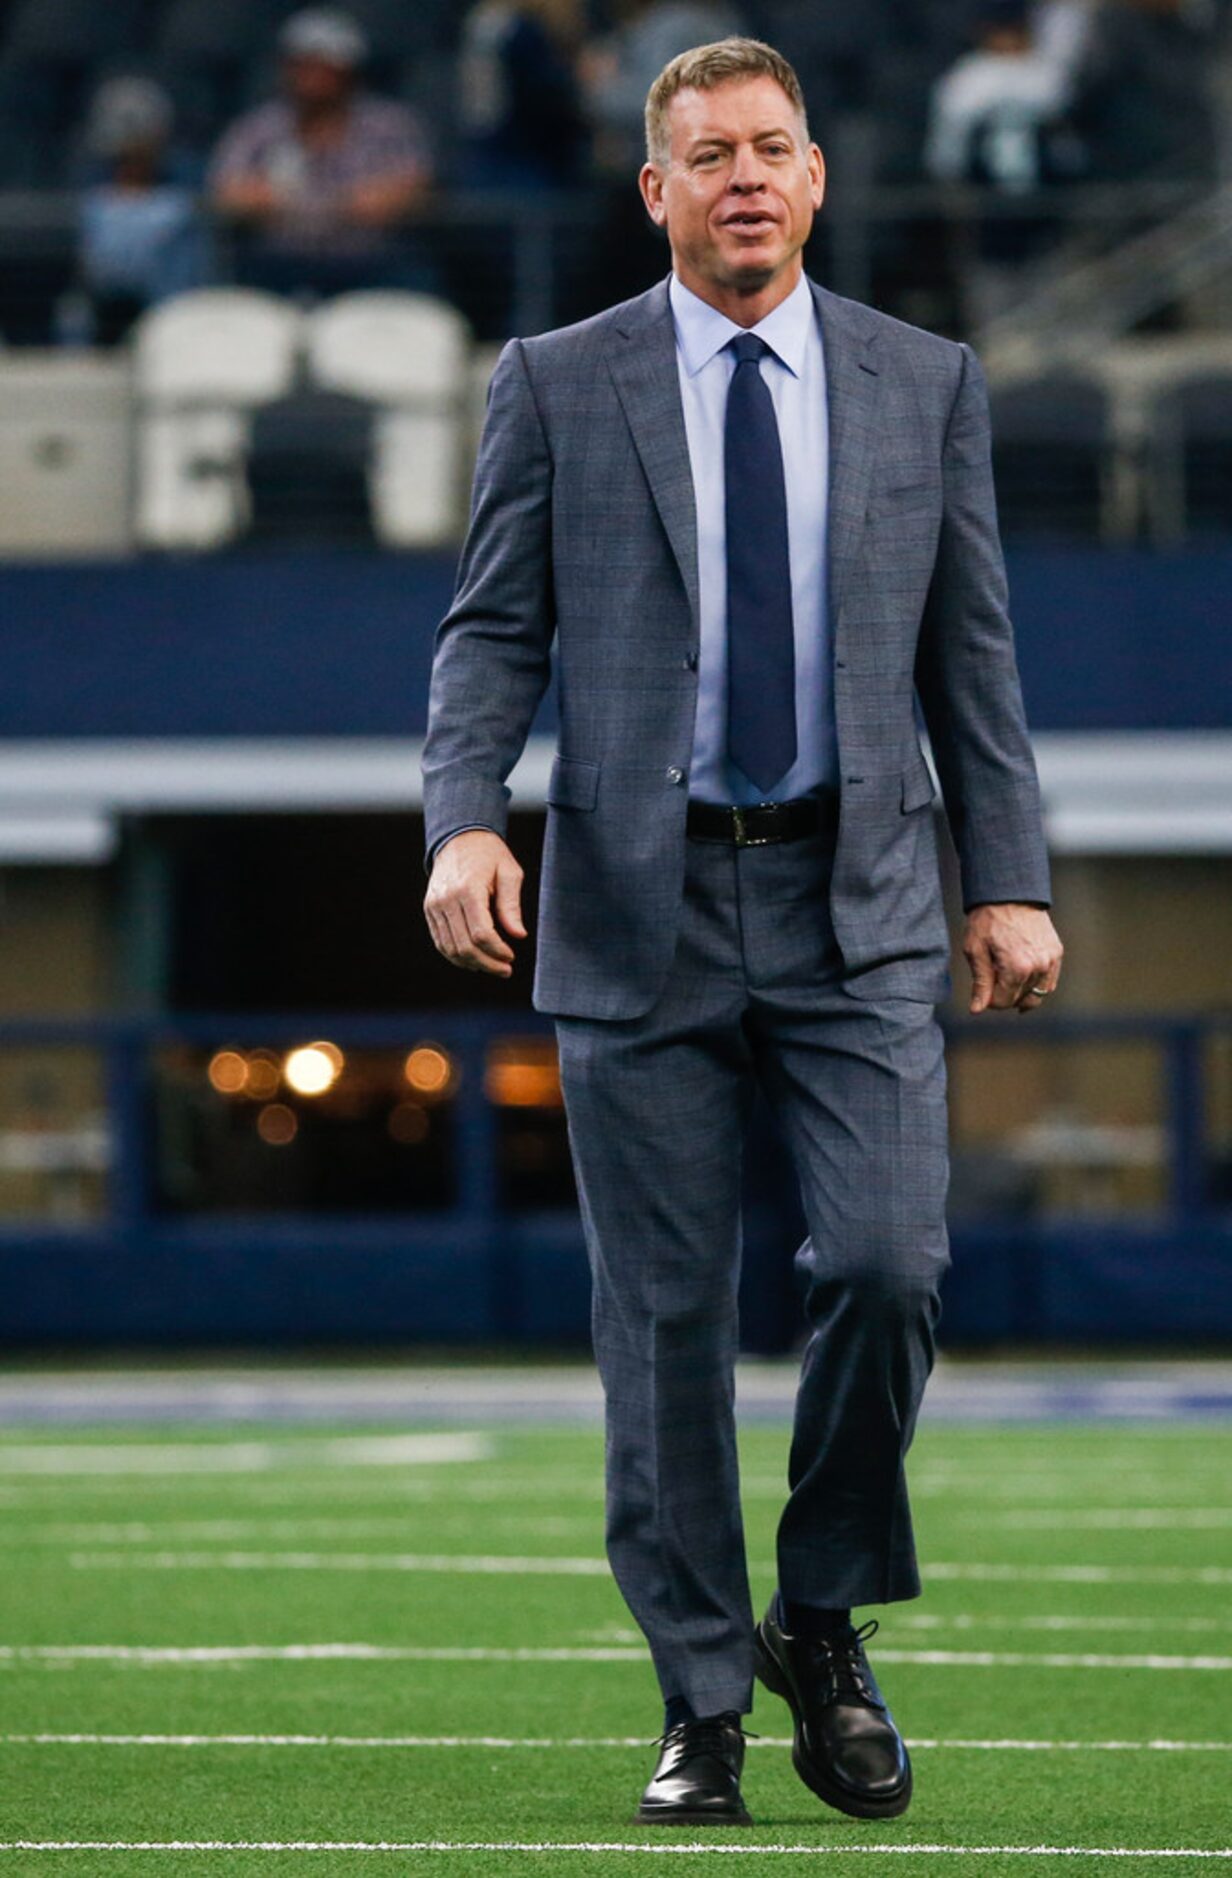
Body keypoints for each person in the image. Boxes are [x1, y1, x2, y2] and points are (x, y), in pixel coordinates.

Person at [422, 35, 1063, 1828]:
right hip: (636, 903)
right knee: (664, 1322)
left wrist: (1004, 875)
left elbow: (973, 657)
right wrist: (462, 818)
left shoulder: (922, 377)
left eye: (771, 147)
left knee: (884, 1263)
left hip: (858, 898)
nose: (743, 179)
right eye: (705, 155)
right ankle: (702, 1699)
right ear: (656, 191)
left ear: (817, 176)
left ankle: (820, 1608)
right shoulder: (556, 381)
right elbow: (488, 631)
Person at [207, 7, 435, 300]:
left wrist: (287, 202)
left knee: (414, 285)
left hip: (369, 264)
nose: (312, 77)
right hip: (277, 264)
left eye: (323, 66)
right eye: (302, 65)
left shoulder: (390, 126)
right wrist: (345, 203)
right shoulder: (257, 128)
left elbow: (408, 191)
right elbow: (229, 194)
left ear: (348, 71)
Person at [72, 76, 210, 346]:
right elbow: (99, 274)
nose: (130, 156)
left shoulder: (180, 207)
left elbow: (190, 280)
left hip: (169, 325)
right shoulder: (94, 205)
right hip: (105, 325)